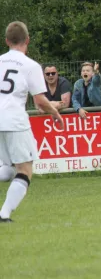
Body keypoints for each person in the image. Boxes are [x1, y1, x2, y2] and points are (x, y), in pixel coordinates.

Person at [0, 21, 64, 222]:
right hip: (15, 120)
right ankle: (4, 214)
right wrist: (56, 113)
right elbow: (39, 100)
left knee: (9, 168)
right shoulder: (31, 66)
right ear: (27, 40)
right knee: (25, 170)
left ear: (7, 41)